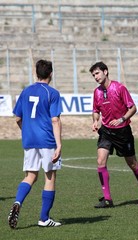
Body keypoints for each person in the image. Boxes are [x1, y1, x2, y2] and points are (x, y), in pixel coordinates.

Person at [8, 59, 62, 228]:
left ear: (36, 73)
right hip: (46, 139)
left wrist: (26, 131)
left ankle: (18, 202)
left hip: (29, 140)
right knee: (50, 176)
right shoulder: (52, 93)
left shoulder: (25, 91)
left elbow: (17, 118)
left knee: (30, 176)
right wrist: (59, 145)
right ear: (51, 74)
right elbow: (55, 120)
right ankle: (44, 218)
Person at [89, 61, 138, 208]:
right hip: (106, 131)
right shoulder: (97, 92)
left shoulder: (119, 88)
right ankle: (108, 198)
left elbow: (133, 108)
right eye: (93, 75)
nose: (96, 77)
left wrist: (122, 119)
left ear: (106, 72)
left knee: (132, 164)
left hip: (123, 131)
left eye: (97, 73)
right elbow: (96, 110)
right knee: (100, 161)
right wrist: (95, 121)